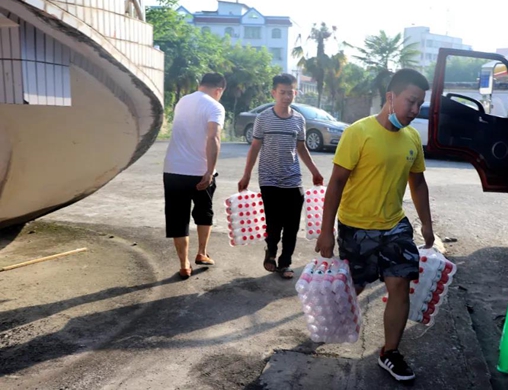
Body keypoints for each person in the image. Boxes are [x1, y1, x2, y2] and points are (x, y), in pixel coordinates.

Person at [315, 68, 434, 382]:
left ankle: (389, 352)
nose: (414, 110)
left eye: (419, 104)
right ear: (391, 97)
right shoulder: (359, 132)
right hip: (356, 227)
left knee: (399, 284)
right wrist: (326, 230)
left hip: (395, 225)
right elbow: (337, 183)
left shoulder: (412, 138)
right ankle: (327, 321)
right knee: (353, 285)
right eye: (410, 101)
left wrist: (426, 225)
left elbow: (418, 184)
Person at [238, 73, 323, 279]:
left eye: (290, 92)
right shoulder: (263, 118)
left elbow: (302, 148)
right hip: (269, 180)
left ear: (296, 92)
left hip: (293, 180)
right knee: (273, 223)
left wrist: (315, 171)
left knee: (292, 226)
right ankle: (271, 252)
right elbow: (255, 147)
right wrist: (246, 174)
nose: (286, 96)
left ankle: (285, 263)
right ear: (274, 93)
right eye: (282, 92)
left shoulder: (298, 120)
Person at [163, 73, 226, 280]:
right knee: (204, 213)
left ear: (200, 85)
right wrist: (210, 170)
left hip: (173, 169)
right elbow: (213, 137)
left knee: (177, 218)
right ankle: (202, 252)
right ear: (219, 90)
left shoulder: (182, 101)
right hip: (199, 171)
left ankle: (184, 265)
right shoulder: (215, 107)